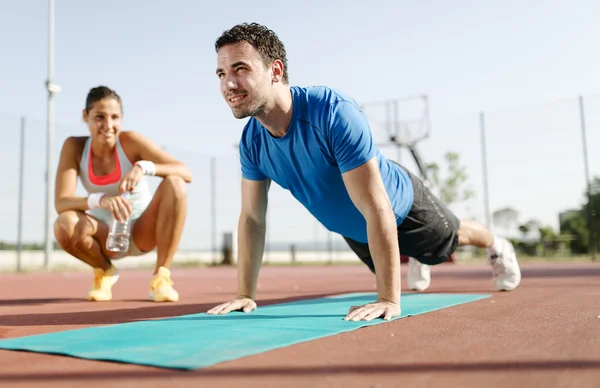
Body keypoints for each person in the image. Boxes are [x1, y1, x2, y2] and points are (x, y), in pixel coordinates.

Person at [207, 23, 521, 322]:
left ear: (275, 71)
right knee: (393, 262)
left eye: (241, 69)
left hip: (399, 206)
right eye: (222, 73)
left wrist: (387, 299)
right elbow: (251, 217)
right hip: (357, 229)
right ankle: (412, 260)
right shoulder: (252, 141)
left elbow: (376, 205)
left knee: (453, 239)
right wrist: (244, 294)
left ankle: (497, 245)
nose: (228, 84)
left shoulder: (331, 111)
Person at [54, 86, 191, 302]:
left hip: (142, 231)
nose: (108, 126)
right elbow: (61, 202)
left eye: (115, 117)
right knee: (64, 223)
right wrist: (101, 200)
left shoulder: (131, 141)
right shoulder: (74, 146)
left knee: (176, 184)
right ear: (85, 116)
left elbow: (185, 172)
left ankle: (161, 277)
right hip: (105, 235)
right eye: (100, 117)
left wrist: (144, 167)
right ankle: (104, 271)